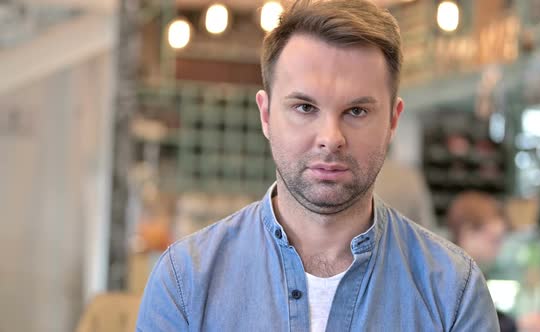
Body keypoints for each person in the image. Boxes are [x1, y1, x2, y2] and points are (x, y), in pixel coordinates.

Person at [136, 0, 500, 330]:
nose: (331, 137)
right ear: (265, 114)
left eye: (356, 111)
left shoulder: (454, 292)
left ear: (392, 120)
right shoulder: (185, 282)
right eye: (305, 108)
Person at [446, 191, 540, 332]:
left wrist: (517, 323)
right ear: (468, 233)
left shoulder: (468, 274)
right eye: (494, 240)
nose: (498, 249)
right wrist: (518, 325)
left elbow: (486, 315)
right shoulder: (453, 278)